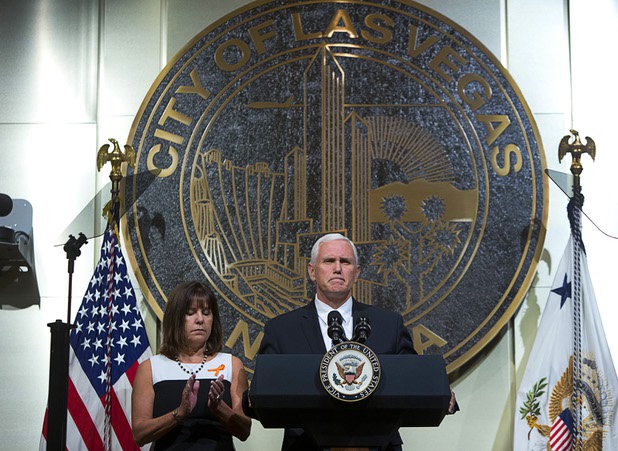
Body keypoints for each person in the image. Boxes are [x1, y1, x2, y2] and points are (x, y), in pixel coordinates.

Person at [251, 233, 457, 451]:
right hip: (306, 445)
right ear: (312, 271)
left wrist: (440, 393)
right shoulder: (282, 329)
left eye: (345, 262)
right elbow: (264, 389)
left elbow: (412, 380)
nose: (337, 268)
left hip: (378, 444)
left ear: (356, 273)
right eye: (329, 261)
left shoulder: (389, 324)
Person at [132, 281, 251, 450]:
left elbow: (244, 430)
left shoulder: (231, 364)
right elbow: (139, 434)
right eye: (191, 312)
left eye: (206, 312)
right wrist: (180, 413)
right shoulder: (151, 368)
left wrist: (219, 408)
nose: (200, 319)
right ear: (175, 319)